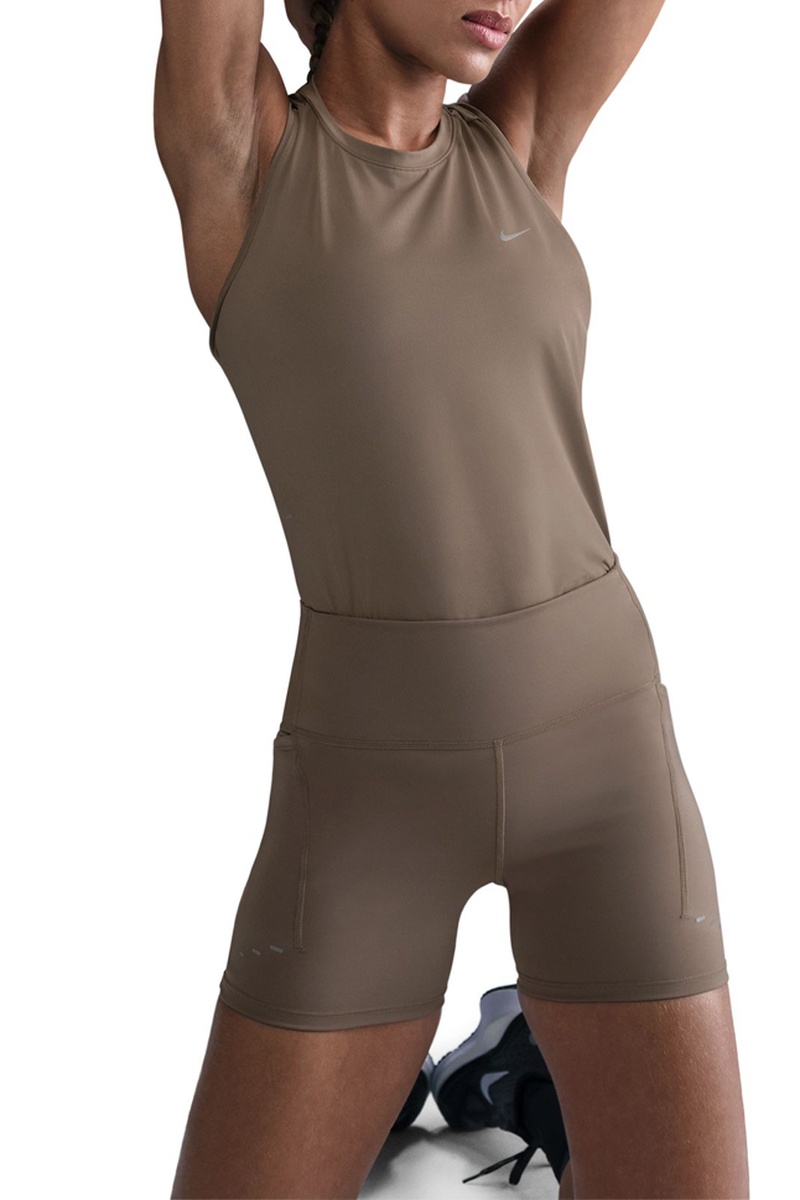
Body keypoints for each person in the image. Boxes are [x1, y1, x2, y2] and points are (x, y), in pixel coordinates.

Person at [153, 3, 750, 1196]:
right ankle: (448, 1096)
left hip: (608, 768)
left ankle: (505, 1086)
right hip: (368, 796)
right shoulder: (247, 159)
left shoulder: (515, 144)